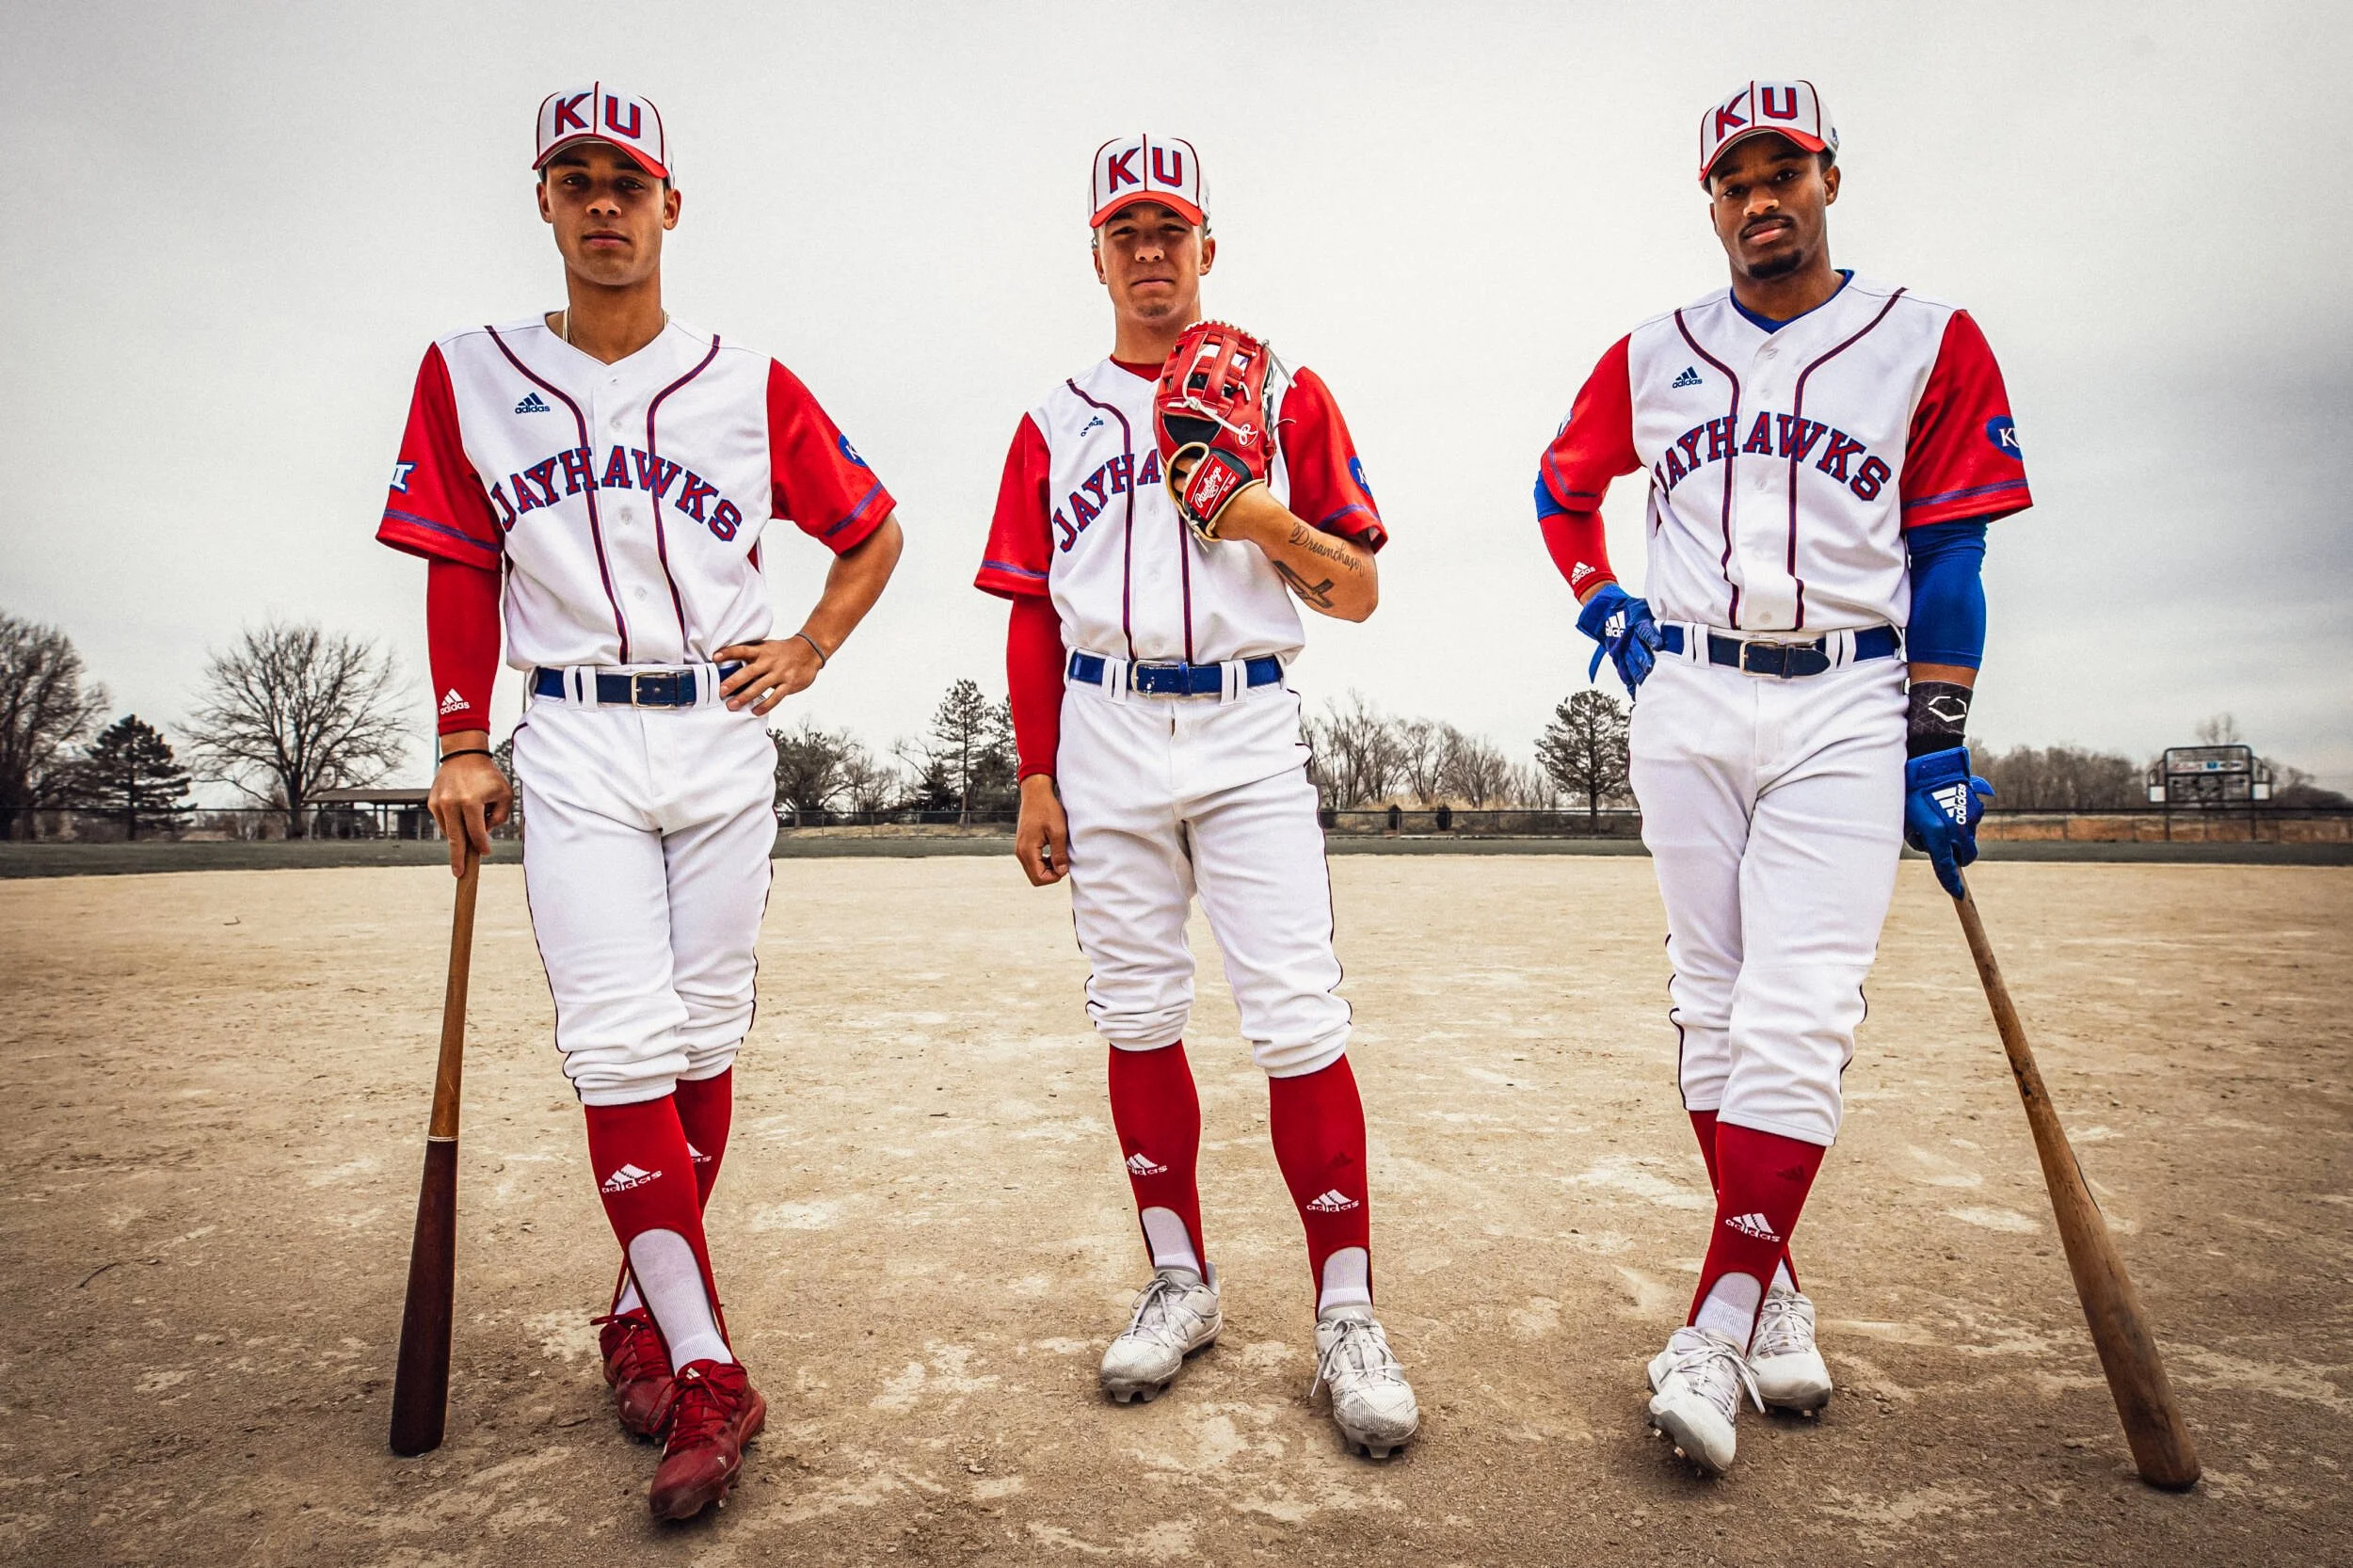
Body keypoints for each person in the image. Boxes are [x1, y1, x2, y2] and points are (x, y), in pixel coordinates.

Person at [377, 85, 904, 1517]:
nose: (603, 201)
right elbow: (456, 559)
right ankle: (710, 1364)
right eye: (577, 178)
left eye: (628, 179)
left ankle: (637, 1313)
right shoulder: (469, 370)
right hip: (575, 737)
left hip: (720, 732)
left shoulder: (746, 378)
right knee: (618, 1044)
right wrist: (461, 734)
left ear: (672, 204)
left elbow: (869, 531)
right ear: (544, 201)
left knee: (700, 1039)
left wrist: (810, 645)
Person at [1530, 80, 2025, 1476]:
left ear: (1828, 181)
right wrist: (1601, 595)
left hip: (1848, 697)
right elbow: (1561, 490)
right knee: (1712, 1001)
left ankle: (1713, 1324)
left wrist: (1939, 732)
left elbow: (1956, 553)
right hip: (1687, 689)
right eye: (1735, 181)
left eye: (1783, 172)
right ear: (1711, 204)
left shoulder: (1928, 339)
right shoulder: (1655, 352)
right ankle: (1773, 1285)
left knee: (1798, 1010)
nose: (1761, 199)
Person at [972, 135, 1418, 1457]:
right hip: (1101, 724)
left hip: (1245, 721)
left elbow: (1359, 591)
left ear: (1208, 245)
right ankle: (1180, 1278)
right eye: (1127, 231)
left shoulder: (1285, 391)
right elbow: (1028, 612)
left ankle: (1347, 1309)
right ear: (1097, 256)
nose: (1150, 251)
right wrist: (1036, 771)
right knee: (1135, 1011)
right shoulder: (1054, 418)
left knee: (1296, 1015)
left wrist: (1260, 516)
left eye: (1171, 228)